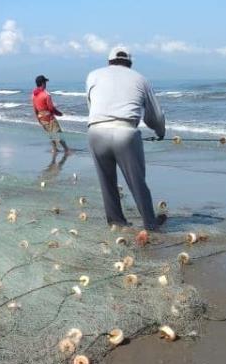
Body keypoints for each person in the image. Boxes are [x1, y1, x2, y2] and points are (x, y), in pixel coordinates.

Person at [85, 46, 166, 231]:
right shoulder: (140, 79)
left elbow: (92, 104)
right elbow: (155, 116)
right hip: (126, 132)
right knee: (137, 181)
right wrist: (160, 132)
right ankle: (150, 223)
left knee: (106, 181)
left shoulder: (93, 75)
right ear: (130, 63)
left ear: (109, 62)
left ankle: (116, 221)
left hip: (96, 131)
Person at [32, 75, 69, 154]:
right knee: (58, 133)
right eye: (45, 82)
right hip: (49, 117)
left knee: (50, 134)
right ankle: (66, 150)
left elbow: (35, 108)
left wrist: (38, 119)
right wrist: (59, 113)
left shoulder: (34, 95)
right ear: (42, 83)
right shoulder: (46, 95)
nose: (46, 84)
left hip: (41, 118)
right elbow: (51, 108)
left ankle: (54, 149)